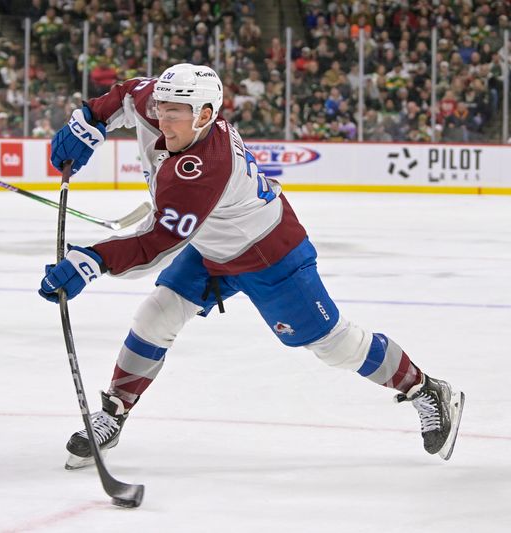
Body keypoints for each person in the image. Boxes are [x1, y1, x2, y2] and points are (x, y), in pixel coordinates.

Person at [40, 64, 465, 469]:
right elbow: (128, 95)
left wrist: (92, 261)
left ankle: (425, 389)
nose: (164, 120)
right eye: (162, 109)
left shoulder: (203, 168)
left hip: (270, 253)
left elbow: (158, 243)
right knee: (157, 314)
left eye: (176, 114)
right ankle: (114, 412)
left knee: (336, 345)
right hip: (210, 248)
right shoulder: (159, 103)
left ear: (205, 116)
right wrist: (88, 120)